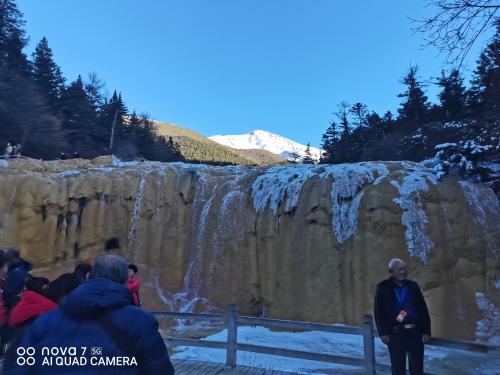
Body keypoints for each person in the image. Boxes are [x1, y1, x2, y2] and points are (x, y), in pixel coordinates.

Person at [6, 255, 175, 374]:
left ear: (88, 277)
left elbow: (18, 366)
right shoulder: (141, 322)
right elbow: (160, 370)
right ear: (125, 282)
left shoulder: (46, 320)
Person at [374, 258, 431, 375]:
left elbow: (423, 309)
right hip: (396, 334)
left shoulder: (413, 286)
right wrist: (383, 332)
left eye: (404, 269)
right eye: (399, 269)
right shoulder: (383, 287)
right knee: (398, 368)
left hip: (415, 332)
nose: (403, 272)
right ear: (391, 271)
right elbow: (379, 311)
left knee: (417, 368)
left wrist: (426, 331)